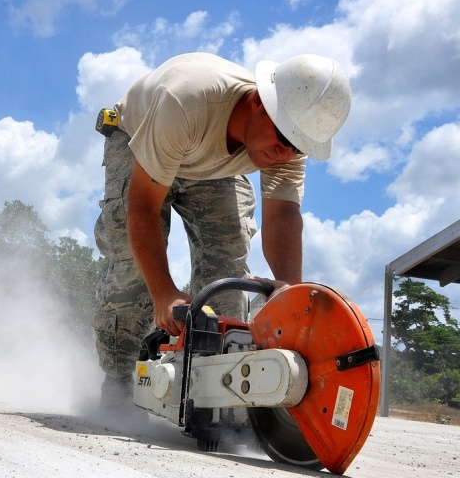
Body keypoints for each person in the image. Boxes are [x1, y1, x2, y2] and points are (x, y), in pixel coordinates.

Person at [92, 52, 351, 410]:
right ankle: (119, 387)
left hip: (210, 163)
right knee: (136, 267)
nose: (284, 154)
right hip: (142, 137)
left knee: (228, 270)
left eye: (297, 147)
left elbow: (283, 215)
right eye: (282, 139)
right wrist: (164, 292)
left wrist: (289, 292)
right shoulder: (185, 101)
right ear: (260, 102)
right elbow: (143, 207)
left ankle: (208, 394)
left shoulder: (289, 139)